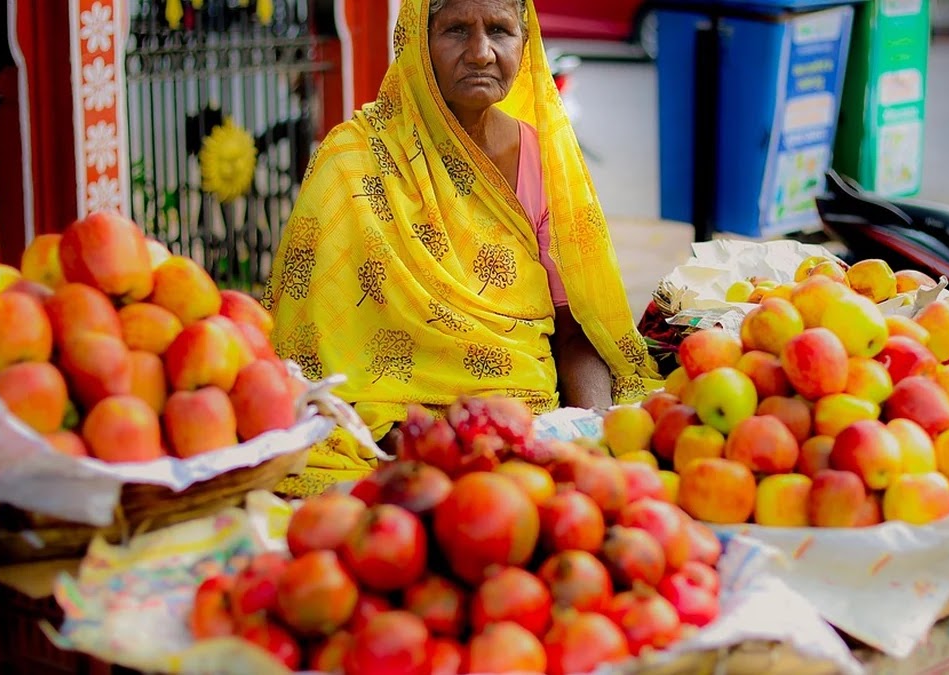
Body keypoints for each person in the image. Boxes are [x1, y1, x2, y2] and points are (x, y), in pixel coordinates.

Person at [265, 0, 660, 496]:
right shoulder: (351, 160)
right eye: (456, 30)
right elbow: (310, 349)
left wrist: (590, 426)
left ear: (525, 40)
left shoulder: (542, 159)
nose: (481, 52)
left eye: (500, 30)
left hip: (523, 430)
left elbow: (574, 323)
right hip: (392, 438)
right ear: (416, 39)